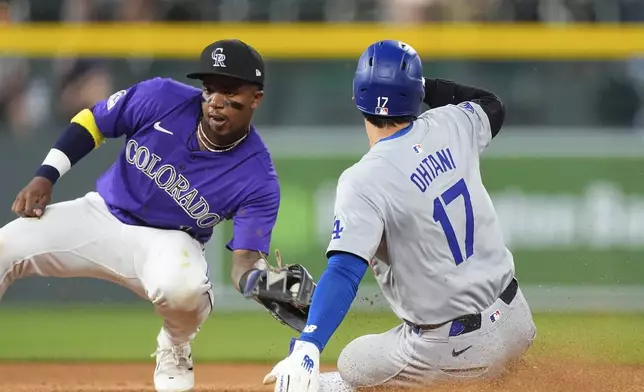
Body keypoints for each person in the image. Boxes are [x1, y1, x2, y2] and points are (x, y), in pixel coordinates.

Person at [0, 39, 315, 392]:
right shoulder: (161, 96)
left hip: (169, 243)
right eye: (210, 89)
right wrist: (46, 174)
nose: (216, 102)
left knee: (184, 288)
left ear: (256, 98)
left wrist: (261, 284)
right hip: (101, 215)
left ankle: (175, 345)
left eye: (229, 92)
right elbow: (94, 121)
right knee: (4, 246)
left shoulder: (257, 177)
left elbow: (243, 262)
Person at [262, 40, 537, 392]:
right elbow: (491, 104)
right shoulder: (450, 122)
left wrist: (308, 344)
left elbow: (345, 271)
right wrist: (419, 87)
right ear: (416, 93)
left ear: (356, 100)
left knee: (352, 362)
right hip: (516, 321)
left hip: (455, 351)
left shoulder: (364, 179)